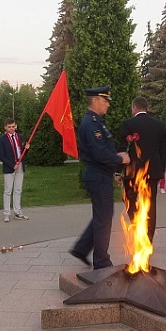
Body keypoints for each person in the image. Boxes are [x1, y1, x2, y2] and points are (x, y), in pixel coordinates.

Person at [69, 86, 130, 269]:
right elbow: (99, 153)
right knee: (104, 218)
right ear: (95, 100)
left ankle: (81, 248)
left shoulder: (97, 122)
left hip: (100, 174)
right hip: (97, 176)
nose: (108, 105)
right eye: (105, 101)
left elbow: (103, 150)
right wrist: (120, 159)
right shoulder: (91, 124)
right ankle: (102, 262)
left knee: (101, 215)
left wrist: (115, 164)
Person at [118, 97, 166, 243]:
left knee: (129, 199)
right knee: (151, 204)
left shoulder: (128, 124)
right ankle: (148, 238)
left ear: (134, 108)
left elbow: (122, 149)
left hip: (132, 172)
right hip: (153, 171)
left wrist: (118, 171)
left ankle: (137, 224)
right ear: (147, 108)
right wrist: (161, 171)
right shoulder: (159, 125)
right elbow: (163, 151)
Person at [0, 118, 30, 222]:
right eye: (9, 127)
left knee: (18, 189)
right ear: (5, 127)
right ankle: (6, 213)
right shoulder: (2, 139)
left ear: (16, 126)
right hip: (9, 167)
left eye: (13, 126)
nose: (12, 129)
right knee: (8, 190)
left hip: (20, 165)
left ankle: (17, 212)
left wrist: (26, 148)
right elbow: (1, 156)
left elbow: (22, 151)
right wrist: (12, 165)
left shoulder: (19, 137)